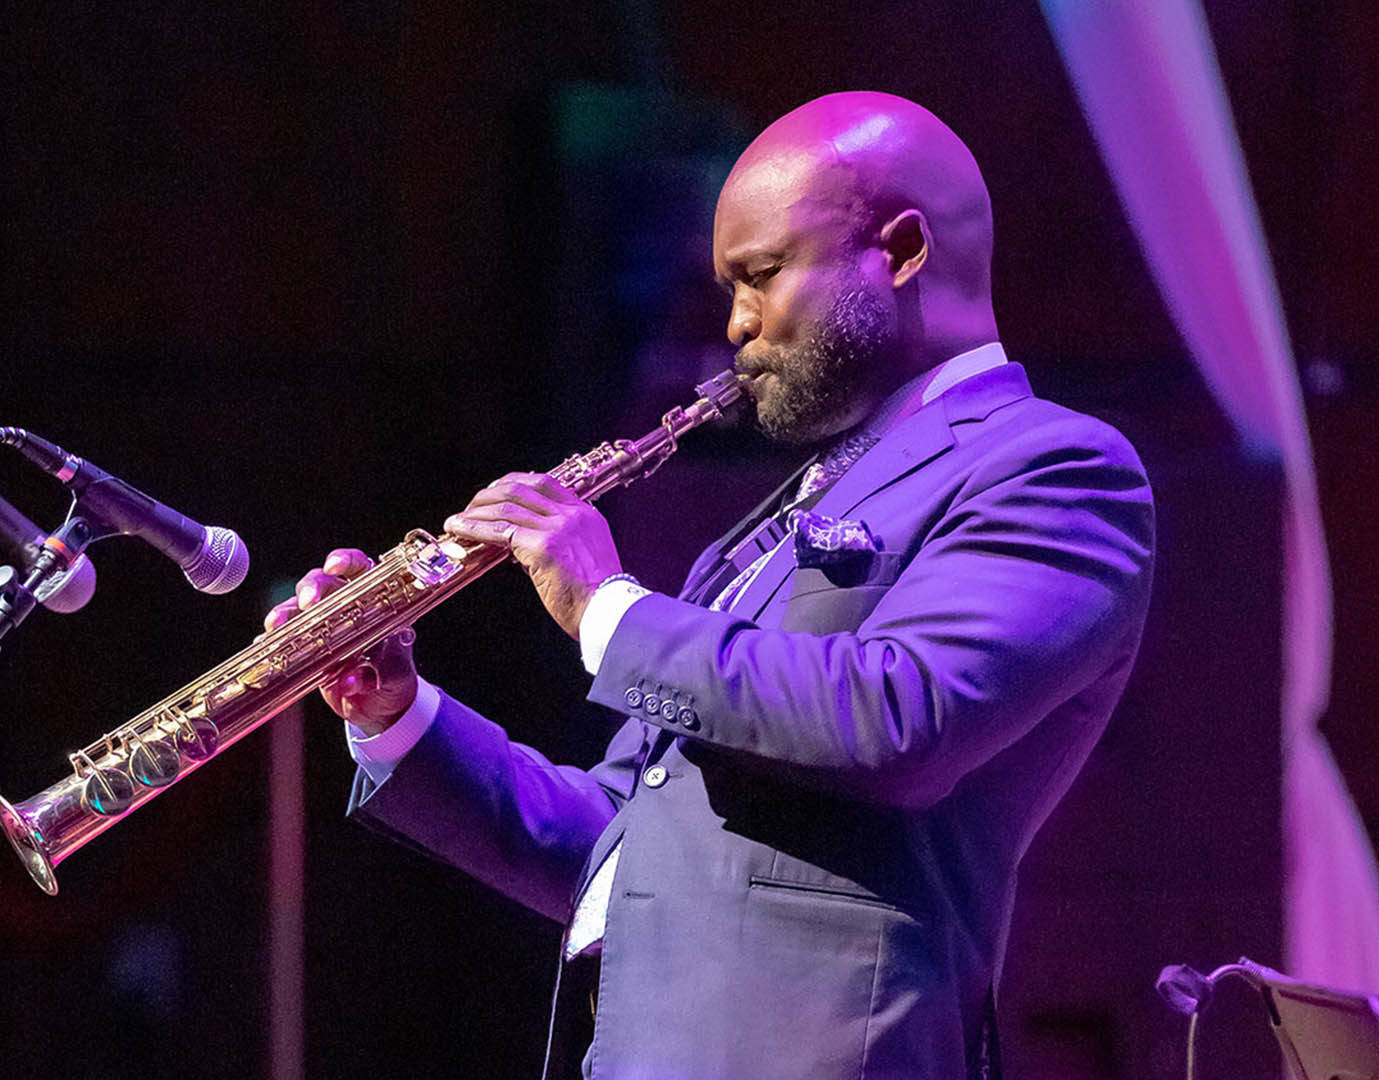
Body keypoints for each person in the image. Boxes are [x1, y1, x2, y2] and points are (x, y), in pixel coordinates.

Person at [264, 91, 1154, 1080]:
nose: (734, 322)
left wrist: (606, 605)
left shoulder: (1054, 468)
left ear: (898, 252)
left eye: (762, 277)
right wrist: (397, 712)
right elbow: (618, 843)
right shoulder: (780, 520)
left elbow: (903, 718)